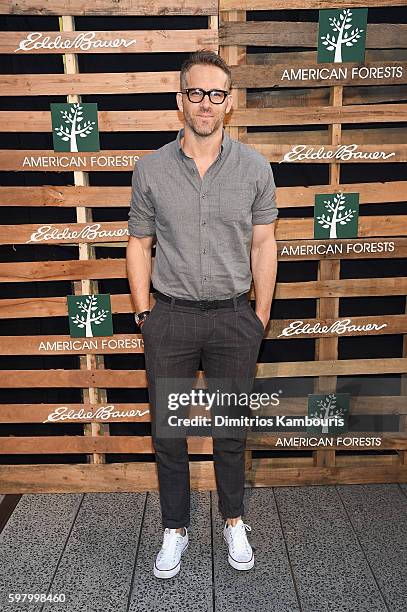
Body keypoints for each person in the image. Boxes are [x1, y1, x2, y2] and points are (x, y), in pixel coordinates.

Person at [126, 49, 278, 579]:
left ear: (229, 103)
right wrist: (146, 314)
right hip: (171, 318)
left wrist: (258, 314)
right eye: (195, 92)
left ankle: (233, 519)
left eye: (216, 93)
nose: (205, 103)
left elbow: (264, 244)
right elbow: (138, 244)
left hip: (236, 319)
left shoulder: (255, 168)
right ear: (180, 101)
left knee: (231, 430)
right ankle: (175, 528)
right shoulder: (150, 170)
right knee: (169, 433)